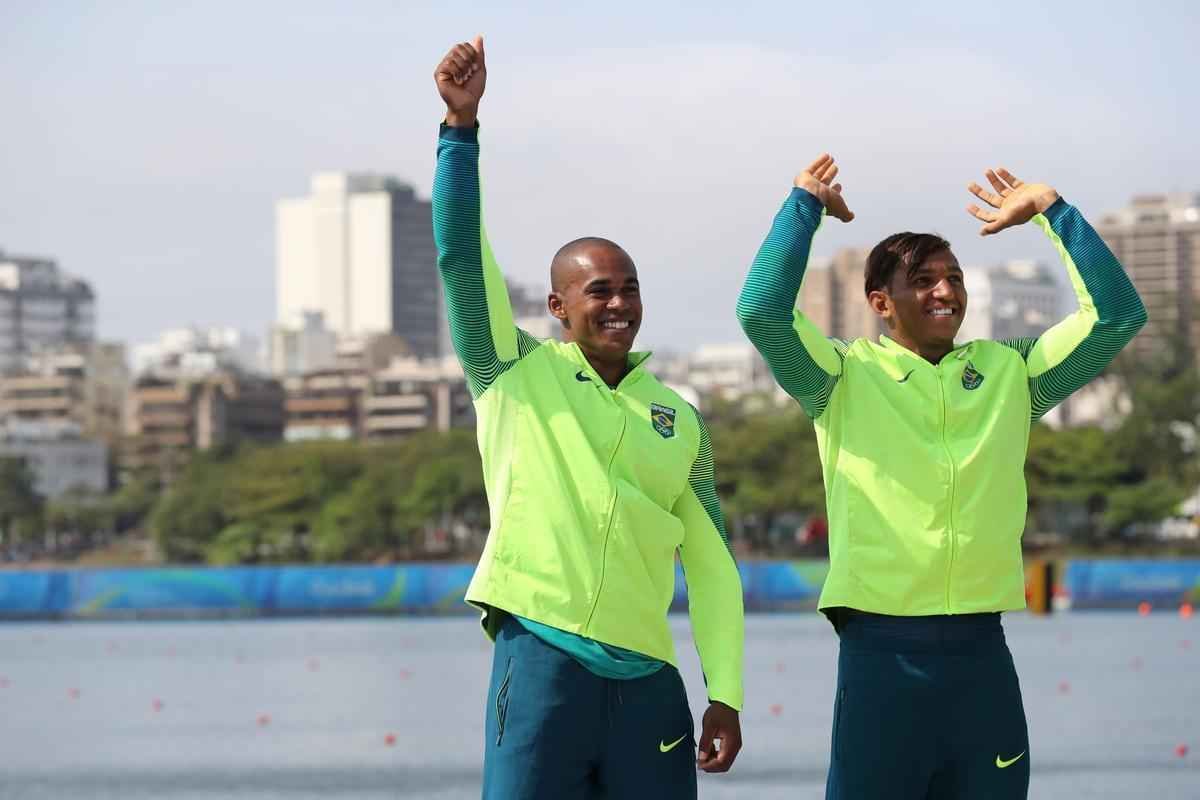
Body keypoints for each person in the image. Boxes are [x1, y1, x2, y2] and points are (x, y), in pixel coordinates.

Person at [736, 154, 1146, 799]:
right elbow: (763, 313)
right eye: (923, 280)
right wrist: (804, 209)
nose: (945, 292)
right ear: (880, 302)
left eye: (953, 278)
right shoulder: (838, 377)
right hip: (881, 650)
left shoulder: (1013, 374)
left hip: (983, 650)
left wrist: (1053, 212)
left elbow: (1117, 318)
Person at [432, 37, 745, 800]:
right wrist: (459, 133)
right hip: (541, 658)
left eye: (629, 288)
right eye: (598, 290)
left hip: (650, 684)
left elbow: (709, 563)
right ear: (558, 306)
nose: (617, 304)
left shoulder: (679, 416)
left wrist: (726, 691)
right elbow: (461, 262)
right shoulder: (512, 372)